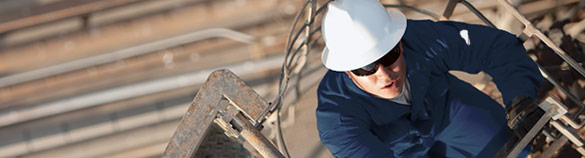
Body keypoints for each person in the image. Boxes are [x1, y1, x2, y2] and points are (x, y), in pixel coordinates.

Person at [315, 0, 544, 157]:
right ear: (346, 70)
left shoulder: (421, 40)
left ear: (400, 43)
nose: (384, 74)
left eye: (390, 55)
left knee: (512, 148)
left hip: (446, 110)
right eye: (366, 68)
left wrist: (519, 97)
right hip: (395, 148)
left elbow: (495, 48)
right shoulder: (337, 118)